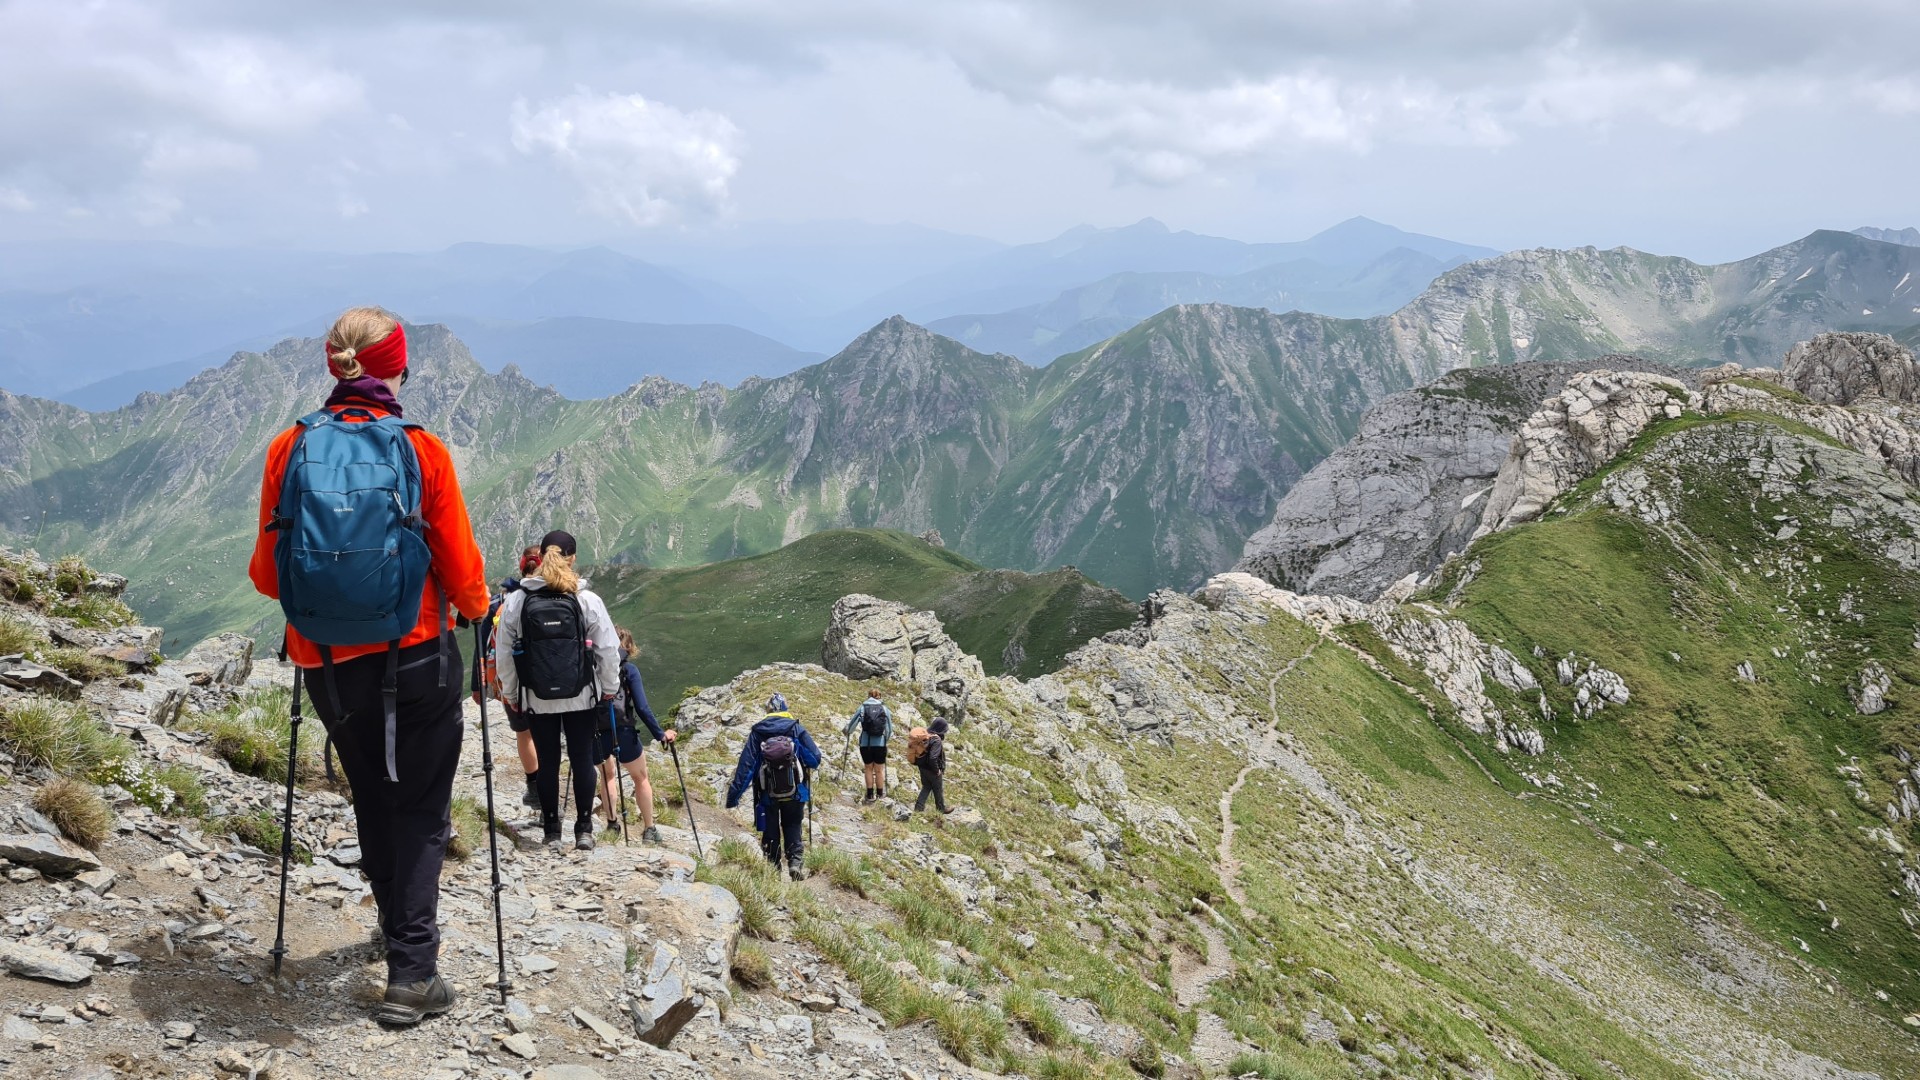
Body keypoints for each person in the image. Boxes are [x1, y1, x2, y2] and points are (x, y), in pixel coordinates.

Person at [248, 307, 488, 1026]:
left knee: (372, 796)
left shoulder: (288, 447)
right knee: (420, 810)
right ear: (396, 370)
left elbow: (268, 575)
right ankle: (412, 971)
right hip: (416, 655)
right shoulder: (423, 450)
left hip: (325, 662)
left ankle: (393, 926)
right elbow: (464, 575)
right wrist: (476, 609)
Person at [494, 530, 621, 853]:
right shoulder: (585, 599)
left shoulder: (518, 600)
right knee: (581, 758)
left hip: (537, 696)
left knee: (548, 761)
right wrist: (609, 688)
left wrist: (511, 692)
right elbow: (608, 649)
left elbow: (505, 653)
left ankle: (551, 830)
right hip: (581, 694)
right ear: (572, 557)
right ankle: (584, 829)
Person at [472, 545, 544, 808]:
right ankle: (550, 789)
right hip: (548, 680)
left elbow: (482, 643)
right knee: (545, 735)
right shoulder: (555, 597)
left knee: (524, 734)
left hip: (509, 680)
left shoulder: (500, 602)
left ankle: (534, 786)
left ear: (521, 565)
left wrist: (477, 685)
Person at [725, 693, 822, 881]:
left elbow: (746, 767)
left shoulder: (758, 732)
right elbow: (815, 758)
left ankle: (773, 871)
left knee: (770, 831)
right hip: (795, 793)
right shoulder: (796, 728)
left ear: (767, 711)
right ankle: (795, 863)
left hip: (767, 794)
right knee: (793, 824)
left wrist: (733, 798)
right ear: (785, 708)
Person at [595, 627, 677, 843]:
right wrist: (660, 734)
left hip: (598, 730)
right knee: (640, 778)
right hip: (624, 730)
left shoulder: (594, 666)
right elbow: (642, 707)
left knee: (607, 775)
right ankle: (649, 830)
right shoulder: (629, 670)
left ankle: (612, 824)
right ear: (629, 647)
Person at [844, 688, 892, 803]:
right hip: (880, 744)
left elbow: (851, 727)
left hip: (866, 744)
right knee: (879, 770)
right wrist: (885, 740)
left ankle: (870, 795)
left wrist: (848, 732)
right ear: (879, 696)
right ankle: (880, 795)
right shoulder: (884, 709)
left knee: (868, 768)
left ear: (868, 696)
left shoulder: (862, 708)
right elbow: (889, 729)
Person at [912, 717, 951, 815]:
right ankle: (941, 808)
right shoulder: (936, 740)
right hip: (931, 769)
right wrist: (937, 770)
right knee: (938, 789)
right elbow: (933, 757)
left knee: (926, 787)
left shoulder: (927, 736)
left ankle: (918, 807)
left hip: (922, 767)